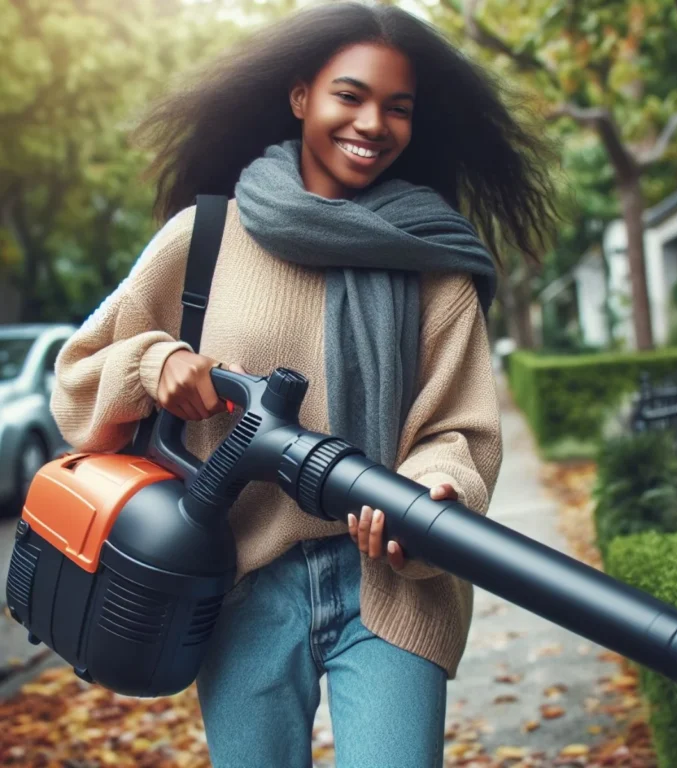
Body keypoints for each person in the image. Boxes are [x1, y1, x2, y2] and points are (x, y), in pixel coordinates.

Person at [50, 2, 557, 765]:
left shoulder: (432, 266)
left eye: (398, 107)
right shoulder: (206, 237)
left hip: (391, 589)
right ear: (301, 98)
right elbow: (77, 381)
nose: (373, 122)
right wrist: (155, 364)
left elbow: (459, 430)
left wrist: (434, 488)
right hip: (239, 587)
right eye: (349, 95)